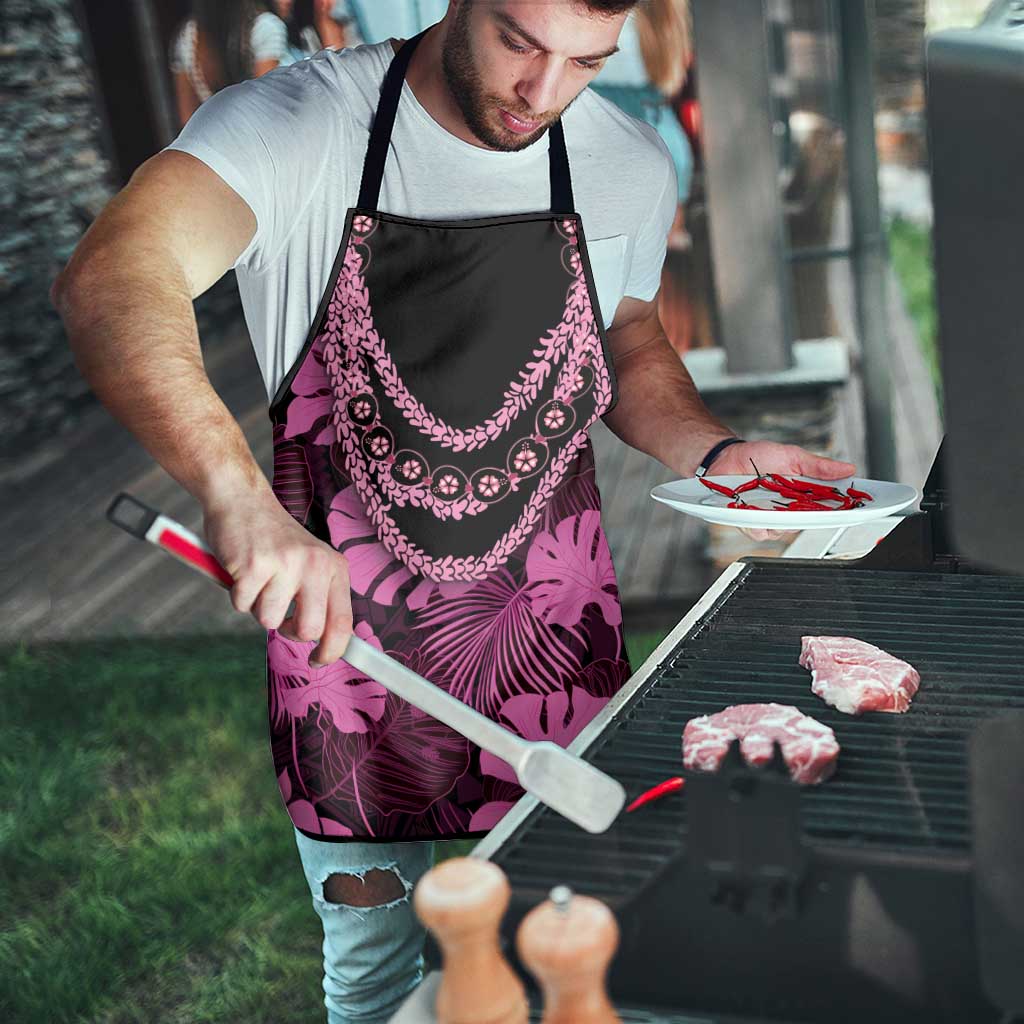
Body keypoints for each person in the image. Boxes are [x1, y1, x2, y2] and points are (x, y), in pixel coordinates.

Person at [53, 2, 856, 1020]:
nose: (543, 93)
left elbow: (627, 336)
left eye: (586, 62)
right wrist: (237, 497)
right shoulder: (298, 126)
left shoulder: (624, 161)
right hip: (347, 656)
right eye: (520, 42)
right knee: (376, 975)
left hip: (552, 644)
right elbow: (114, 275)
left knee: (581, 949)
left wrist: (715, 450)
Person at [169, 0, 288, 126]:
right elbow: (267, 107)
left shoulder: (188, 37)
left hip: (215, 134)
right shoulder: (265, 27)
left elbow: (188, 120)